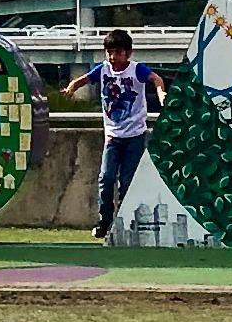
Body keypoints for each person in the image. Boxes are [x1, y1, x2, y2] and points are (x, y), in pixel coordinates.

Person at [67, 33, 161, 241]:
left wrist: (161, 93)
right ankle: (105, 221)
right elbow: (85, 78)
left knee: (127, 180)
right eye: (109, 52)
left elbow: (156, 79)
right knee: (106, 177)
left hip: (135, 135)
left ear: (128, 53)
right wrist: (73, 85)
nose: (112, 57)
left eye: (117, 52)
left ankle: (125, 220)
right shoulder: (103, 69)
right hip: (113, 135)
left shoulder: (136, 69)